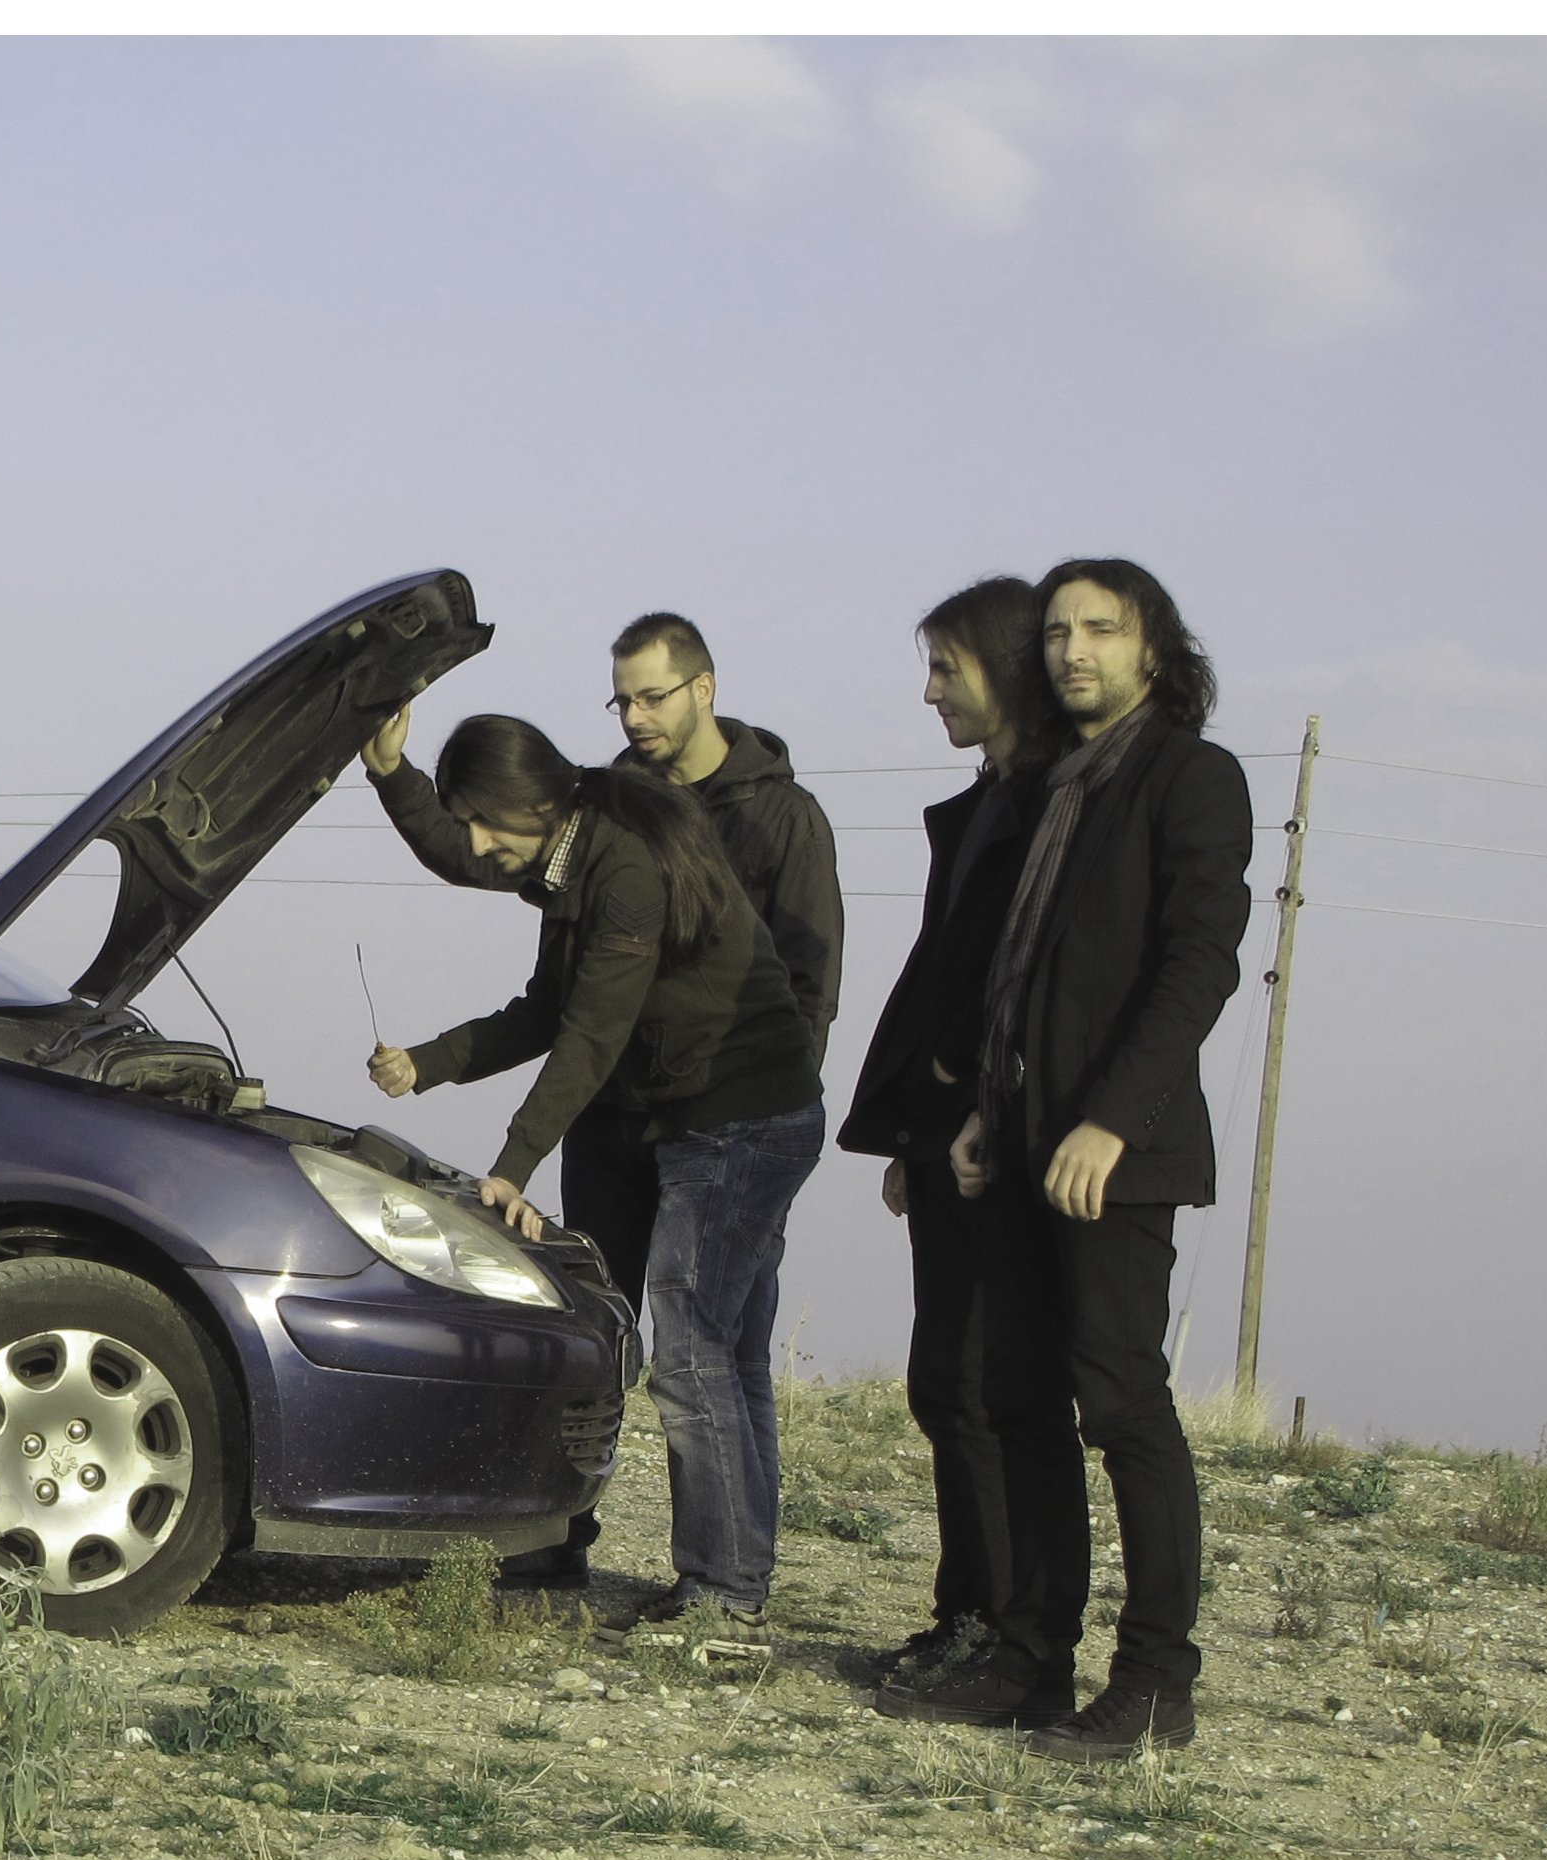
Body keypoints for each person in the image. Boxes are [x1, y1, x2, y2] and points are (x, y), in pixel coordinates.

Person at [358, 706, 824, 1641]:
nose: (478, 845)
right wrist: (427, 1061)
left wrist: (511, 1165)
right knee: (646, 1339)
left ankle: (724, 1591)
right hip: (659, 1117)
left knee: (695, 1353)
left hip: (739, 1118)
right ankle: (566, 1543)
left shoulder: (624, 869)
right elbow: (545, 1004)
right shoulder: (565, 856)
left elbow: (591, 1033)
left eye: (483, 821)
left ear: (530, 801)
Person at [892, 559, 1252, 1757]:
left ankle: (1152, 1681)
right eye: (1054, 630)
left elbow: (1196, 965)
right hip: (1020, 1138)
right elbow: (1019, 974)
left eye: (1099, 627)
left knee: (1122, 1402)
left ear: (1153, 646)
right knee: (1018, 1400)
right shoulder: (1053, 789)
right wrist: (984, 1109)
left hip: (1116, 1151)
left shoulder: (1190, 777)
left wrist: (1109, 1118)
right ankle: (1031, 1661)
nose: (1071, 649)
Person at [833, 577, 1069, 1695]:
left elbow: (1019, 978)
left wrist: (957, 1085)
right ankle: (965, 1616)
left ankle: (1005, 1632)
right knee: (945, 1384)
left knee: (980, 1387)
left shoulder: (1050, 807)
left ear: (1004, 668)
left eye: (946, 668)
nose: (929, 693)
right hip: (946, 1133)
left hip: (999, 1137)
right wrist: (913, 1128)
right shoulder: (988, 803)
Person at [607, 613, 847, 1067]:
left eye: (653, 698)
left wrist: (787, 1092)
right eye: (623, 703)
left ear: (703, 689)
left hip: (740, 1092)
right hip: (619, 1096)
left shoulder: (784, 816)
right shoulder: (610, 810)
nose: (634, 718)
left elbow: (811, 981)